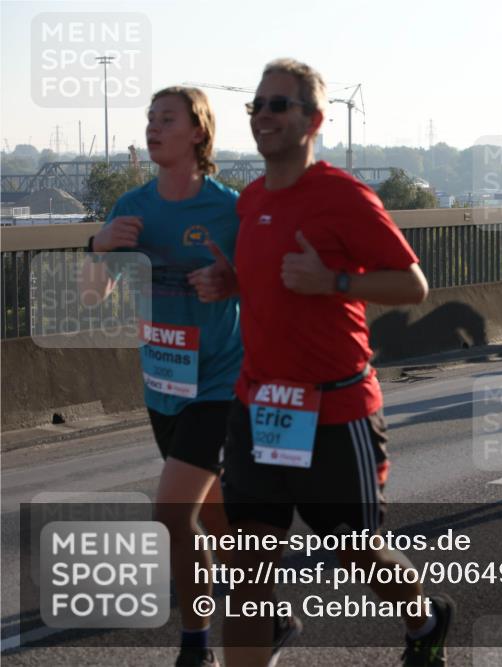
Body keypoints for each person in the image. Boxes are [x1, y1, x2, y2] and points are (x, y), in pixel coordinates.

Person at [194, 59, 452, 667]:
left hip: (336, 412)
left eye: (278, 105)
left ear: (314, 120)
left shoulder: (344, 196)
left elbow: (412, 285)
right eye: (256, 105)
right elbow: (271, 281)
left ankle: (424, 619)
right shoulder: (251, 198)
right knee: (248, 566)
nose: (263, 115)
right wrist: (234, 280)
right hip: (259, 408)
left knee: (357, 554)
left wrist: (334, 280)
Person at [79, 87, 264, 667]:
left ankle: (195, 646)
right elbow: (92, 297)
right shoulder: (131, 207)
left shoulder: (227, 208)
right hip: (162, 384)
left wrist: (232, 280)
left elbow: (263, 285)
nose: (153, 129)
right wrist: (97, 246)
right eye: (149, 120)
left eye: (167, 120)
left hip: (218, 384)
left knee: (171, 514)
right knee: (210, 517)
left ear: (198, 134)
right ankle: (266, 615)